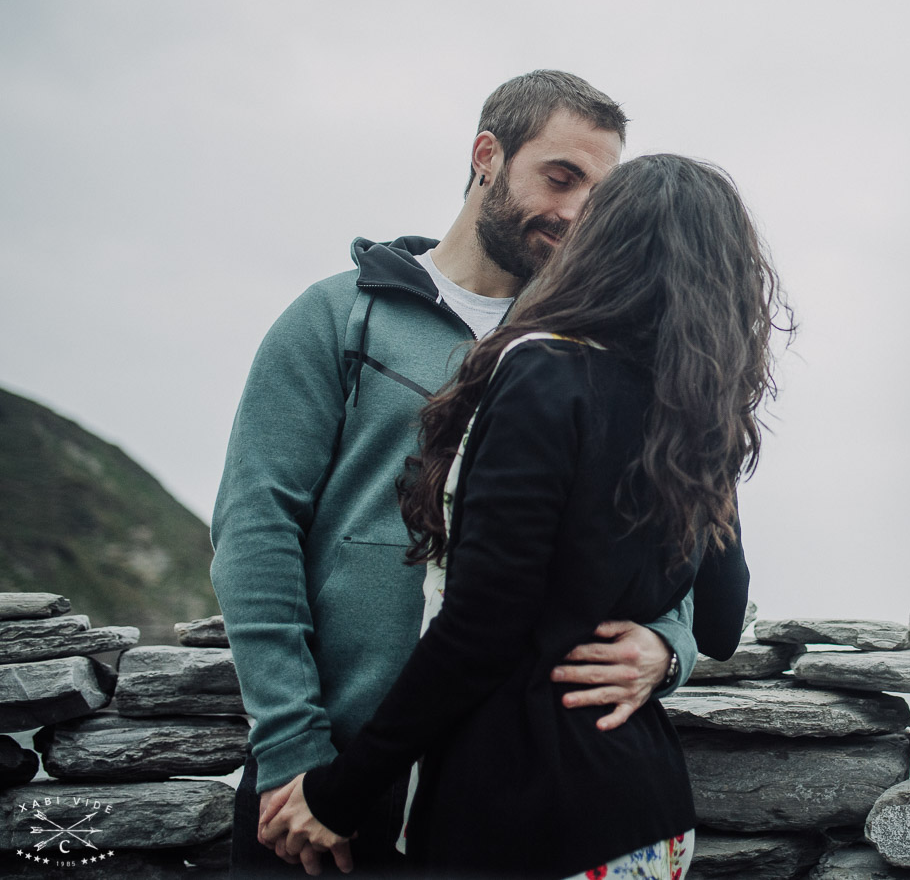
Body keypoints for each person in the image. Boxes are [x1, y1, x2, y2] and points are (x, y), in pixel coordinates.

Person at [211, 72, 705, 877]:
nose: (578, 210)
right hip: (322, 775)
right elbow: (255, 530)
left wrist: (666, 643)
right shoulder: (338, 315)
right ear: (487, 155)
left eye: (598, 192)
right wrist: (295, 747)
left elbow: (676, 520)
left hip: (487, 796)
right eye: (560, 175)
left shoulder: (588, 354)